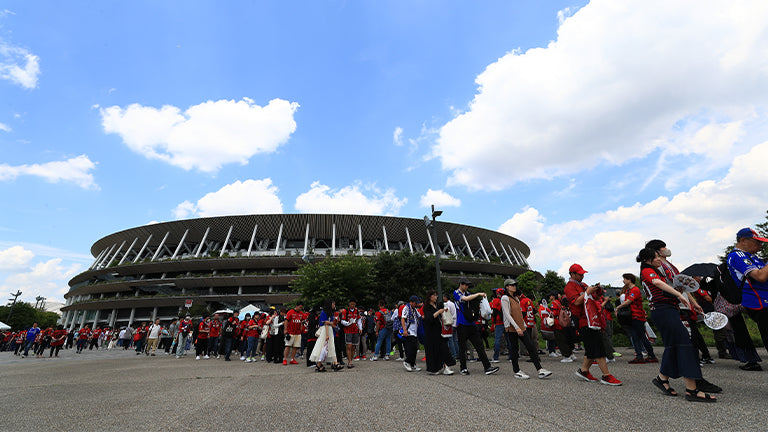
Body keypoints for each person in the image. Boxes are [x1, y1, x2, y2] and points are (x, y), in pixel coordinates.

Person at [638, 248, 716, 402]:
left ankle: (662, 378)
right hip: (663, 311)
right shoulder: (647, 271)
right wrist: (678, 294)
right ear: (647, 259)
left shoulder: (660, 272)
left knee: (673, 346)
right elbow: (657, 283)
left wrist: (689, 301)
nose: (659, 259)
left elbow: (667, 288)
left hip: (669, 310)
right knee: (684, 344)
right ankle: (691, 389)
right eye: (656, 256)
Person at [564, 264, 622, 386]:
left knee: (591, 348)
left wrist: (597, 290)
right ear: (572, 274)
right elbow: (576, 302)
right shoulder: (569, 287)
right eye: (580, 274)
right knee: (597, 346)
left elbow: (594, 297)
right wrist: (587, 292)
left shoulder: (583, 285)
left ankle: (584, 371)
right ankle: (606, 375)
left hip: (590, 318)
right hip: (582, 320)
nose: (582, 276)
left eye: (583, 273)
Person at [726, 227, 768, 356]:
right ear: (743, 240)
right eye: (757, 242)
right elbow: (760, 276)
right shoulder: (737, 256)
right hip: (758, 302)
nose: (760, 246)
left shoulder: (754, 257)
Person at [500, 279, 552, 380]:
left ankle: (540, 369)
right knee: (514, 349)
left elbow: (519, 314)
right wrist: (517, 327)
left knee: (531, 346)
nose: (514, 286)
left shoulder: (516, 298)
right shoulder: (505, 298)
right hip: (511, 327)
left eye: (515, 285)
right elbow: (507, 314)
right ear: (507, 286)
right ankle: (516, 370)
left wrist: (523, 326)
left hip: (521, 326)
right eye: (512, 285)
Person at [453, 279, 499, 375]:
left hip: (471, 323)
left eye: (467, 285)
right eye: (465, 285)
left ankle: (487, 367)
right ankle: (463, 368)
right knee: (462, 347)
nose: (466, 287)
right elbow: (465, 299)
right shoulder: (456, 293)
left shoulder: (468, 293)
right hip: (461, 324)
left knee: (479, 345)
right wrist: (478, 294)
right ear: (461, 284)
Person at [616, 273, 658, 364]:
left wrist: (618, 307)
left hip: (637, 316)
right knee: (635, 337)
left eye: (624, 279)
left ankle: (651, 356)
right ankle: (639, 356)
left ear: (629, 280)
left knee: (642, 337)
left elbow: (628, 301)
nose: (623, 281)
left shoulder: (635, 289)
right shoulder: (628, 290)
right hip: (632, 317)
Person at [423, 290, 456, 375]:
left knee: (443, 348)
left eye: (436, 295)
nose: (436, 297)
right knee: (434, 350)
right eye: (434, 295)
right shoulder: (426, 307)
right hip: (431, 332)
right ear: (430, 297)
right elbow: (429, 318)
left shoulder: (437, 305)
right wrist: (438, 312)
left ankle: (446, 366)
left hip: (439, 330)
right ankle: (436, 368)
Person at [310, 300, 343, 372]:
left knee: (330, 347)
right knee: (325, 347)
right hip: (326, 330)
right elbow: (325, 323)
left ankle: (334, 363)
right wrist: (328, 334)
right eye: (333, 304)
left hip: (329, 330)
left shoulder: (329, 312)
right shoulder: (324, 312)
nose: (334, 306)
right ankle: (320, 364)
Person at [401, 295, 423, 372]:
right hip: (409, 332)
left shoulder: (415, 310)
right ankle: (407, 362)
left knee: (415, 348)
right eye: (415, 303)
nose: (416, 304)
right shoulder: (406, 308)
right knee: (412, 348)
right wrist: (404, 330)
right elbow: (403, 319)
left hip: (415, 332)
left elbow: (420, 317)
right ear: (411, 302)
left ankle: (413, 364)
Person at [340, 299, 361, 368]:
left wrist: (360, 328)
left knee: (354, 346)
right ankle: (349, 361)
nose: (352, 305)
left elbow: (359, 320)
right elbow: (342, 321)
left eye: (354, 304)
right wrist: (348, 323)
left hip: (355, 330)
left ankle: (351, 360)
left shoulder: (357, 311)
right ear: (349, 304)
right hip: (348, 330)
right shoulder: (345, 311)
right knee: (349, 346)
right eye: (351, 304)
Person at [489, 288, 505, 363]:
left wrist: (494, 322)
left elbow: (495, 311)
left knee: (497, 339)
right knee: (508, 339)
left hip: (499, 322)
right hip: (506, 321)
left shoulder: (496, 300)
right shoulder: (506, 300)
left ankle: (496, 357)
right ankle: (511, 356)